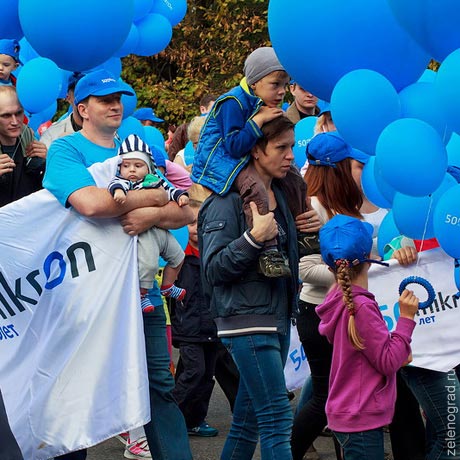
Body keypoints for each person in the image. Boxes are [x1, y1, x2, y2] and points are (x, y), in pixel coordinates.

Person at [43, 69, 193, 460]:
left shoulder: (135, 146)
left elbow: (185, 210)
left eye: (119, 100)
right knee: (76, 390)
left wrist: (151, 215)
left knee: (159, 386)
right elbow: (90, 204)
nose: (116, 106)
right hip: (85, 295)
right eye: (105, 100)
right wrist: (153, 199)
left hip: (141, 293)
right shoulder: (66, 149)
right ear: (82, 109)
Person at [290, 132, 418, 460]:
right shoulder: (313, 208)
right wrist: (354, 274)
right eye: (354, 164)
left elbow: (362, 248)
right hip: (324, 309)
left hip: (347, 306)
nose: (360, 170)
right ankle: (285, 452)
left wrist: (392, 252)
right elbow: (304, 267)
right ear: (338, 167)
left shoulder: (345, 204)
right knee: (328, 398)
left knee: (340, 396)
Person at [199, 115, 299, 459]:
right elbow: (213, 269)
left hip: (277, 317)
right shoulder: (225, 200)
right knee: (277, 419)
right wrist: (254, 238)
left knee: (248, 422)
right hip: (246, 320)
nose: (290, 155)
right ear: (256, 149)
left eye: (292, 146)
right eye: (281, 147)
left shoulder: (282, 194)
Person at [192, 46, 309, 278]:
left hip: (239, 156)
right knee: (255, 189)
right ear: (254, 83)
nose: (281, 92)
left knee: (296, 178)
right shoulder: (232, 102)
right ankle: (269, 251)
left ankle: (304, 232)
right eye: (275, 85)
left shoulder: (258, 100)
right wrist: (258, 120)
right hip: (223, 162)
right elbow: (234, 145)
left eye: (285, 85)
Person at [316, 214, 419, 460]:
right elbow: (388, 362)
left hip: (350, 414)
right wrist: (406, 319)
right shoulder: (361, 306)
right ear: (370, 259)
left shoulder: (338, 299)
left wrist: (397, 345)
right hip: (361, 417)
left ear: (329, 267)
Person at [108, 134, 189, 312]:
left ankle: (168, 285)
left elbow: (170, 190)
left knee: (178, 256)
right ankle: (142, 295)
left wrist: (180, 196)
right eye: (126, 166)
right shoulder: (124, 182)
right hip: (144, 233)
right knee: (149, 265)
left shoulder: (154, 180)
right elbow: (115, 185)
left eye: (138, 166)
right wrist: (119, 192)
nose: (131, 170)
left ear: (148, 167)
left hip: (161, 230)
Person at [171, 198, 219, 437]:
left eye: (201, 223)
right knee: (194, 372)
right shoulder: (177, 255)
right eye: (191, 223)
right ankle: (169, 419)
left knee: (207, 376)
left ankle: (195, 419)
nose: (196, 229)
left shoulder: (214, 253)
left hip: (212, 325)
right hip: (188, 325)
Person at [0, 86, 47, 207]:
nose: (15, 122)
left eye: (18, 113)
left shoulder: (28, 136)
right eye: (6, 116)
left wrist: (47, 161)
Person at [40, 72, 85, 148]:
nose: (84, 98)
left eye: (90, 94)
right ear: (68, 98)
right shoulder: (52, 134)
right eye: (78, 93)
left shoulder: (106, 129)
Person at [168, 93, 216, 161]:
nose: (216, 114)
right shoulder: (184, 130)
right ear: (202, 109)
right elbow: (172, 156)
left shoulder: (221, 129)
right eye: (213, 110)